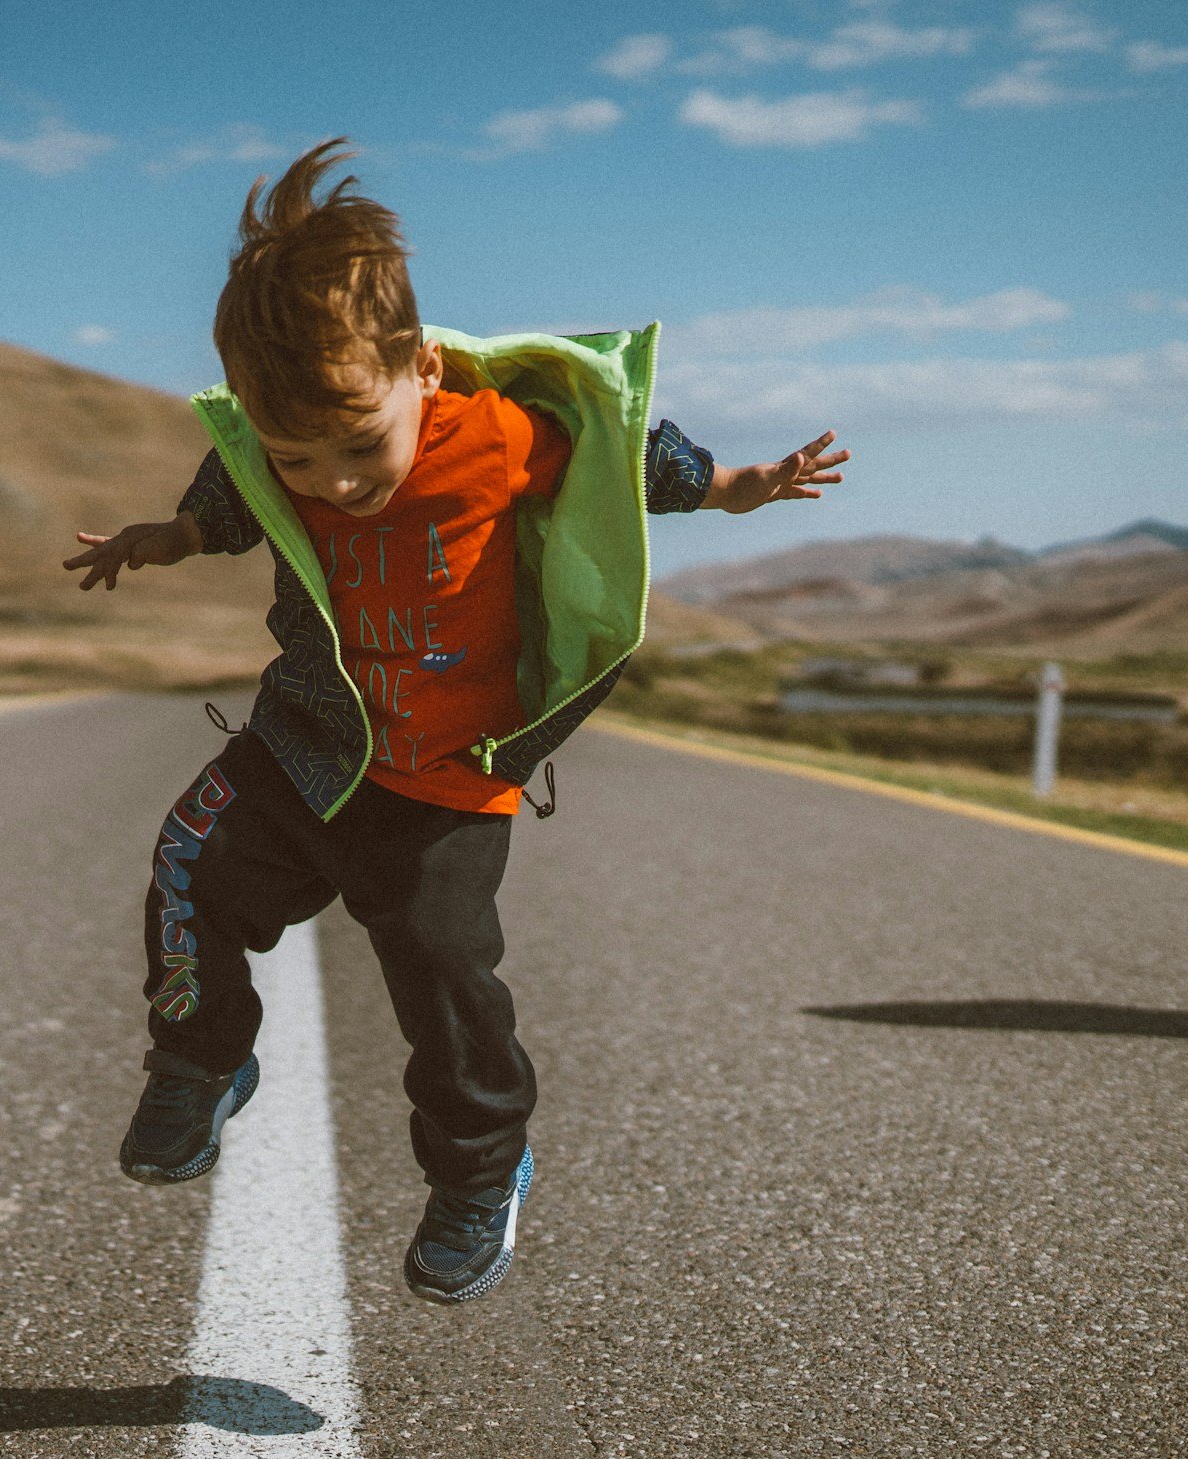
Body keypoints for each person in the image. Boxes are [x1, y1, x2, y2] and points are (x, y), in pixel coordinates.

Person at [65, 139, 846, 1304]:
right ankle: (197, 1059)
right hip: (304, 744)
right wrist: (167, 536)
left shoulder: (497, 433)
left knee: (441, 982)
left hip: (442, 780)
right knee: (188, 865)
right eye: (297, 455)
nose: (330, 482)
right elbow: (231, 492)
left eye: (356, 444)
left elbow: (621, 451)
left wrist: (733, 485)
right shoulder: (278, 457)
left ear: (422, 367)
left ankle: (482, 1171)